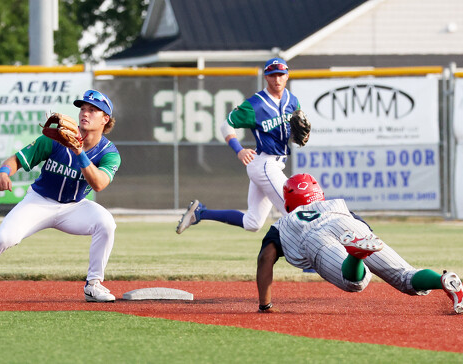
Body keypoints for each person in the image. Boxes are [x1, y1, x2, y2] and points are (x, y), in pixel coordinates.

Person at [0, 90, 120, 303]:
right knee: (3, 238)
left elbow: (99, 184)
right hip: (39, 201)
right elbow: (16, 160)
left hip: (74, 207)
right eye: (83, 108)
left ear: (105, 119)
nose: (85, 113)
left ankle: (93, 285)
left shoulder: (109, 152)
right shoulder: (56, 139)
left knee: (106, 223)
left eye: (92, 110)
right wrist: (3, 172)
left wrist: (79, 153)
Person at [256, 173, 463, 315]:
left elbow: (266, 257)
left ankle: (355, 256)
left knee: (355, 283)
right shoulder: (336, 204)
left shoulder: (283, 223)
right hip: (348, 223)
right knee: (405, 276)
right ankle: (443, 280)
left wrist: (265, 305)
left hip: (314, 238)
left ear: (289, 201)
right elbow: (366, 232)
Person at [176, 57, 301, 234]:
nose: (277, 79)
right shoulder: (256, 104)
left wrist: (300, 136)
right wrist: (239, 150)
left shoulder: (292, 100)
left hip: (273, 164)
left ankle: (200, 213)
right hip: (265, 165)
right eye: (273, 75)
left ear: (287, 75)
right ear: (266, 77)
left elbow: (295, 131)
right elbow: (226, 125)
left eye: (281, 74)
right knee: (295, 213)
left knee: (253, 223)